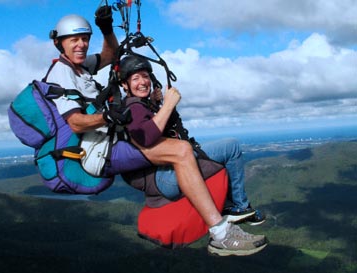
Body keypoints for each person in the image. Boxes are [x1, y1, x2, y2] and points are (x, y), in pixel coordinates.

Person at [47, 8, 267, 256]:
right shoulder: (61, 74)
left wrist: (106, 29)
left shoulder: (81, 66)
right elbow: (75, 122)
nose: (81, 45)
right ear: (59, 43)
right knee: (181, 151)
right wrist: (107, 116)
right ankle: (220, 233)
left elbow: (110, 54)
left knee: (186, 150)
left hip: (108, 140)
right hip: (99, 151)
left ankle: (230, 213)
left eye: (84, 38)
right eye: (74, 40)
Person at [120, 55, 266, 226]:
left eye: (145, 76)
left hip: (160, 176)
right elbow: (146, 138)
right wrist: (168, 105)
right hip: (164, 177)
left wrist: (154, 103)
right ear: (124, 84)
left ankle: (230, 205)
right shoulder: (133, 107)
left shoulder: (137, 106)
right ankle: (239, 206)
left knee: (219, 152)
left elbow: (152, 129)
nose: (143, 82)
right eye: (135, 78)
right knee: (231, 147)